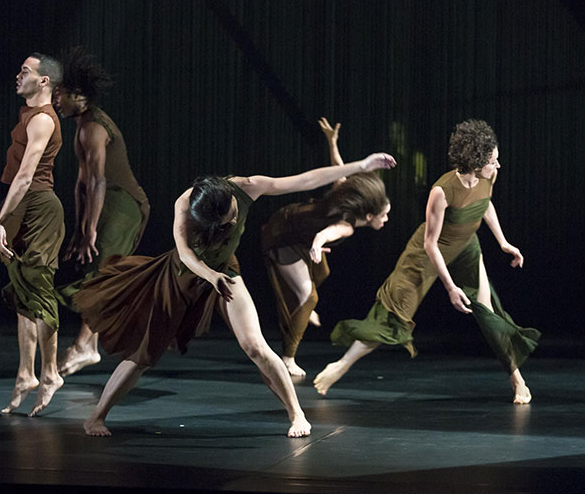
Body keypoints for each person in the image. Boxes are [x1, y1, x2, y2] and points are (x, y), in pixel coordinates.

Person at [67, 153, 397, 437]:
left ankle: (297, 414)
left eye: (233, 216)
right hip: (182, 275)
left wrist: (361, 165)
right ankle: (96, 416)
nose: (234, 222)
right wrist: (209, 276)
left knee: (255, 345)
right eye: (225, 223)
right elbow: (185, 254)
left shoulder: (247, 185)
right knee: (143, 355)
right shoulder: (185, 203)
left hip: (225, 270)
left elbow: (304, 180)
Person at [314, 119, 540, 404]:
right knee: (393, 314)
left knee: (488, 312)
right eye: (493, 160)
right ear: (476, 160)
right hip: (427, 253)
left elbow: (485, 204)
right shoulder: (442, 191)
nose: (498, 165)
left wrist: (503, 242)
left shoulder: (487, 177)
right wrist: (450, 288)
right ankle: (341, 365)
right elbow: (430, 244)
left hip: (467, 245)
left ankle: (517, 379)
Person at [261, 118, 391, 378]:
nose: (386, 220)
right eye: (383, 215)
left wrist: (332, 142)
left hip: (293, 226)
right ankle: (287, 358)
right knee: (309, 296)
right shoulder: (348, 225)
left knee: (322, 273)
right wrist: (317, 243)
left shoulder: (346, 195)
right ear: (368, 216)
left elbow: (337, 168)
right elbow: (328, 232)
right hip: (283, 236)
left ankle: (303, 309)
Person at [53, 46, 150, 377]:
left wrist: (91, 229)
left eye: (60, 95)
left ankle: (84, 346)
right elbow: (81, 186)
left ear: (78, 96)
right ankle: (87, 345)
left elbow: (97, 182)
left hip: (125, 203)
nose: (55, 101)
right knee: (96, 269)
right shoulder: (82, 126)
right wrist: (81, 229)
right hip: (109, 200)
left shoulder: (93, 127)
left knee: (103, 271)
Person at [0, 54, 65, 417]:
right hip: (20, 208)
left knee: (38, 287)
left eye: (25, 72)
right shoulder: (29, 116)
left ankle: (50, 374)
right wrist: (6, 217)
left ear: (45, 81)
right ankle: (25, 373)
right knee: (23, 294)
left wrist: (1, 220)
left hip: (38, 209)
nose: (18, 76)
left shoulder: (43, 121)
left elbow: (24, 175)